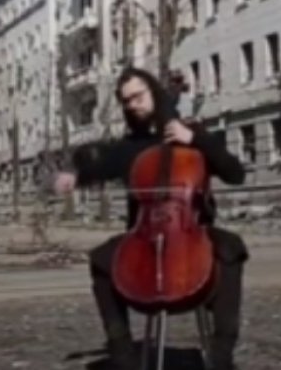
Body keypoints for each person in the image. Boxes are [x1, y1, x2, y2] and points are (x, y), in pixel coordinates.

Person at [51, 67, 248, 370]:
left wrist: (195, 138)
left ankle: (222, 355)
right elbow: (98, 165)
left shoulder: (191, 134)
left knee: (231, 249)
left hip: (194, 233)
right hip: (143, 237)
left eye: (138, 96)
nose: (133, 105)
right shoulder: (130, 147)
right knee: (101, 260)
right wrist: (75, 174)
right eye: (126, 101)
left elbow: (235, 174)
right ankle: (123, 353)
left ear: (155, 92)